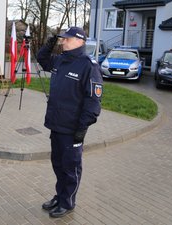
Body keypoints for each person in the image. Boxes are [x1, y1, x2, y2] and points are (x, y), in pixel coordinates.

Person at [37, 27, 103, 218]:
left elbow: (93, 102)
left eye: (67, 39)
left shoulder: (89, 66)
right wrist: (49, 44)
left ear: (79, 41)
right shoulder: (60, 60)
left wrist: (82, 128)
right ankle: (60, 196)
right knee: (58, 164)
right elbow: (42, 60)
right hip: (56, 125)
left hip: (73, 129)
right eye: (62, 39)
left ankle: (68, 202)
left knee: (71, 167)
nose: (63, 42)